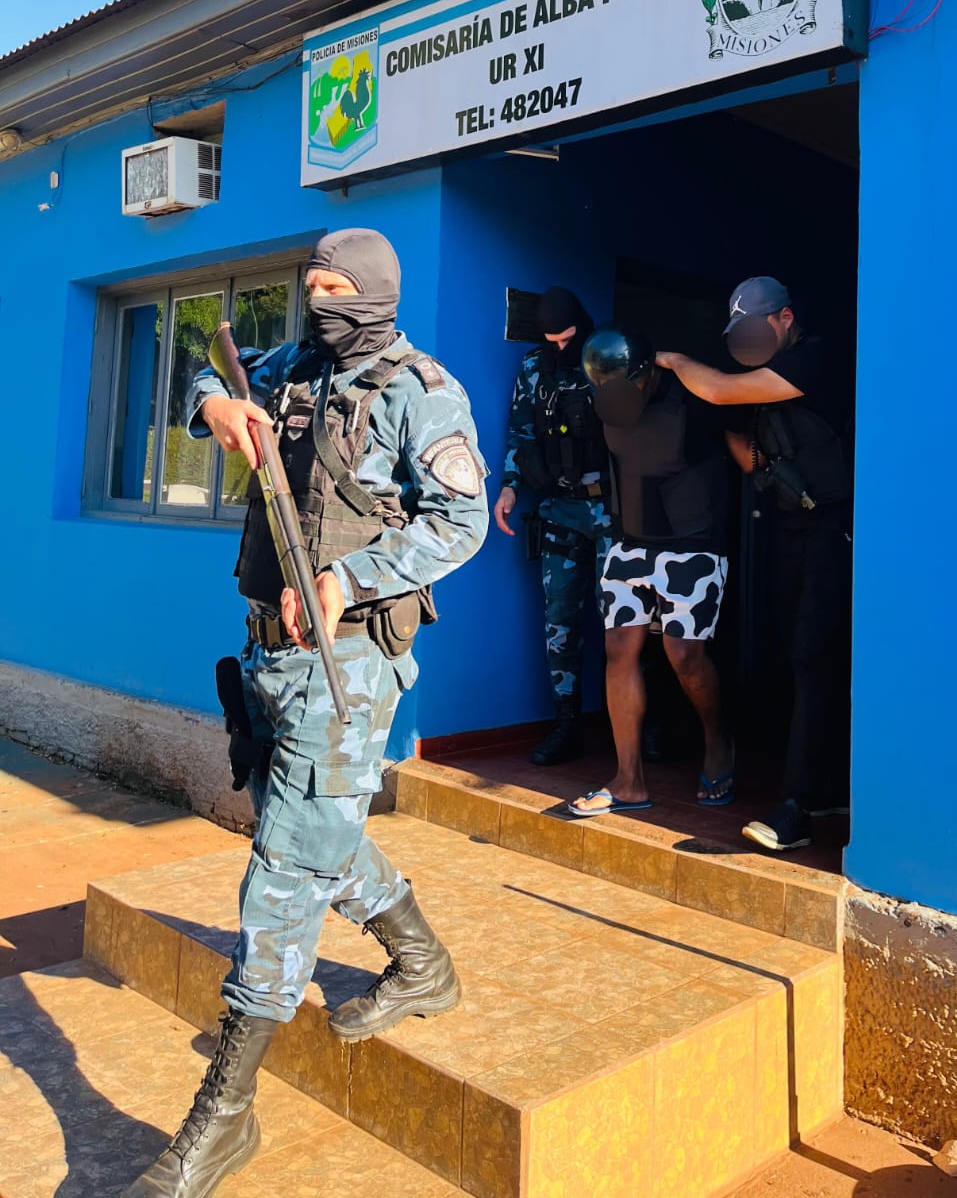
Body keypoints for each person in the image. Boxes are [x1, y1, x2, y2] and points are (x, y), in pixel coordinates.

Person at [121, 228, 487, 1198]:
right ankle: (422, 960)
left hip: (350, 659)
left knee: (284, 868)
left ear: (374, 292)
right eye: (311, 282)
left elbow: (460, 520)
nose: (320, 298)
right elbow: (203, 377)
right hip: (266, 651)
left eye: (337, 286)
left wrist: (350, 576)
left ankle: (224, 1114)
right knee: (317, 826)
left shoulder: (423, 391)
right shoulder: (289, 364)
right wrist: (214, 406)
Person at [656, 275, 852, 852]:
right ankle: (822, 788)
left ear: (785, 319)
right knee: (798, 659)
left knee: (816, 659)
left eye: (755, 327)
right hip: (791, 528)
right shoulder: (770, 390)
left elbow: (718, 388)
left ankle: (797, 806)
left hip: (835, 531)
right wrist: (726, 430)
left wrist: (675, 361)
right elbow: (756, 461)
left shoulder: (818, 361)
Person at [568, 325, 734, 817]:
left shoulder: (691, 403)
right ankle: (629, 781)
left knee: (683, 655)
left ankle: (718, 739)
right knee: (619, 647)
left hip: (693, 544)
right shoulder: (602, 404)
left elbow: (739, 450)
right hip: (630, 542)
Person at [493, 287, 612, 765]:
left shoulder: (608, 356)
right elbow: (520, 430)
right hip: (559, 508)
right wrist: (508, 486)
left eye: (568, 339)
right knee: (559, 621)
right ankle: (567, 723)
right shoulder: (533, 368)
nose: (561, 348)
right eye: (552, 340)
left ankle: (647, 726)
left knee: (625, 622)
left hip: (611, 512)